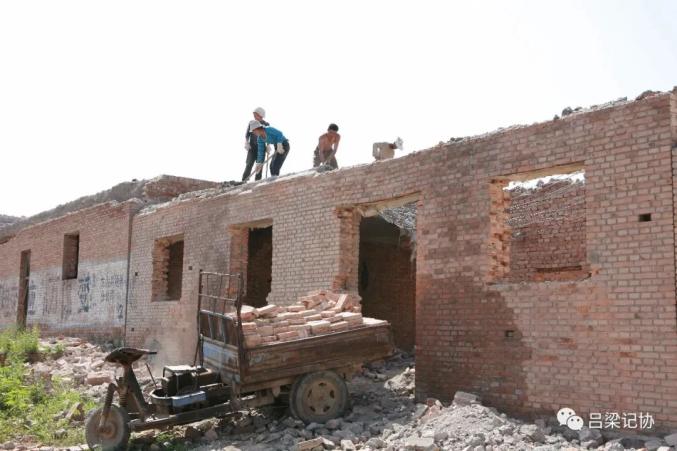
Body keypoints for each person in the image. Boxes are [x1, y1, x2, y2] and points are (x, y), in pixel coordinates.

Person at [242, 107, 269, 181]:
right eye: (254, 115)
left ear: (261, 115)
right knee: (249, 164)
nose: (254, 116)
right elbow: (247, 134)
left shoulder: (266, 124)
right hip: (252, 148)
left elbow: (268, 136)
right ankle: (244, 181)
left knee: (259, 166)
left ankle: (257, 182)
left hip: (261, 149)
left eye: (255, 115)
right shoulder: (251, 123)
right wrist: (246, 142)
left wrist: (268, 145)